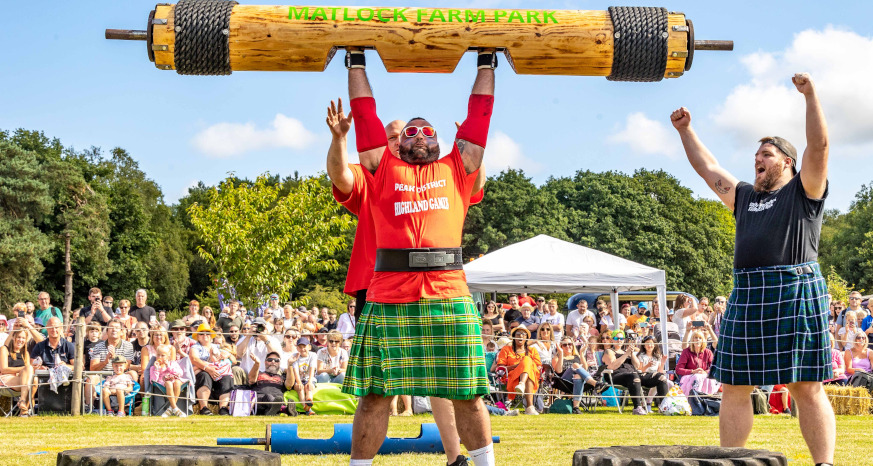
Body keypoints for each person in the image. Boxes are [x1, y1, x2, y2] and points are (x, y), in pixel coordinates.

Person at [328, 55, 492, 466]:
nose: (419, 135)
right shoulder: (381, 169)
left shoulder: (457, 168)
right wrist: (355, 61)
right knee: (375, 395)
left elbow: (480, 117)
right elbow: (365, 114)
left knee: (468, 393)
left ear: (441, 143)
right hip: (389, 295)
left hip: (448, 292)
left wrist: (487, 61)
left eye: (428, 132)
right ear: (396, 144)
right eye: (411, 132)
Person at [671, 72, 834, 465]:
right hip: (748, 293)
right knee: (734, 385)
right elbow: (708, 168)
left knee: (804, 385)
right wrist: (685, 130)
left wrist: (810, 95)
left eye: (766, 154)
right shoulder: (744, 196)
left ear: (787, 162)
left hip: (795, 289)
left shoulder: (804, 190)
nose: (757, 160)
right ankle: (733, 461)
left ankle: (824, 465)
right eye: (757, 155)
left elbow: (820, 145)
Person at [551, 336, 606, 414]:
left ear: (573, 345)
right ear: (561, 346)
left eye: (569, 344)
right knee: (576, 365)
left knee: (578, 376)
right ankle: (595, 383)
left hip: (577, 381)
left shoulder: (577, 357)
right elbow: (559, 371)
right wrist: (561, 353)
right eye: (564, 345)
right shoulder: (557, 357)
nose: (567, 346)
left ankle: (576, 407)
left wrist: (581, 353)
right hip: (564, 382)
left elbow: (585, 369)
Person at [496, 326, 541, 415]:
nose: (521, 336)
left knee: (527, 361)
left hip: (530, 376)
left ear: (526, 338)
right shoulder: (506, 349)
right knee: (527, 362)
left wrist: (525, 365)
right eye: (518, 334)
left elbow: (538, 367)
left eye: (523, 334)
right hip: (512, 376)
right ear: (513, 336)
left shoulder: (532, 350)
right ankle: (529, 408)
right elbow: (501, 368)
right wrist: (518, 366)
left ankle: (522, 384)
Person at [190, 323, 233, 415]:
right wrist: (207, 368)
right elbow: (194, 359)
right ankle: (204, 407)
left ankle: (223, 408)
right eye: (202, 333)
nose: (205, 335)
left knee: (227, 378)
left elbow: (234, 359)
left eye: (207, 333)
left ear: (211, 336)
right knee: (204, 376)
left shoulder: (217, 346)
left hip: (218, 371)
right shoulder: (194, 347)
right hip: (203, 371)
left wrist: (228, 354)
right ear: (197, 336)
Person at [601, 330, 647, 415]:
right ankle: (637, 407)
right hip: (616, 376)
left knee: (659, 377)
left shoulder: (627, 351)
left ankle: (663, 406)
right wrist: (626, 354)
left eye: (621, 338)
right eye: (616, 338)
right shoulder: (609, 351)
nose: (619, 340)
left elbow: (637, 366)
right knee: (633, 376)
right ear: (612, 340)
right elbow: (613, 366)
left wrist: (631, 353)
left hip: (633, 375)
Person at [248, 350, 296, 416]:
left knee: (276, 400)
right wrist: (257, 363)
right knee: (268, 396)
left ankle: (272, 411)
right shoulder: (259, 373)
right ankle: (284, 409)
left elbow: (289, 385)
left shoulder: (282, 377)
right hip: (260, 401)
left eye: (276, 360)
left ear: (279, 363)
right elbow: (251, 379)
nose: (273, 362)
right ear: (265, 362)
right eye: (270, 360)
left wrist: (290, 365)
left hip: (278, 400)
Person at [235, 317, 281, 386]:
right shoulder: (244, 339)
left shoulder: (273, 340)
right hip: (247, 375)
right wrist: (248, 336)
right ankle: (236, 392)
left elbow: (276, 357)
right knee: (235, 369)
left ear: (266, 329)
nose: (258, 330)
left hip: (265, 375)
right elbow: (238, 354)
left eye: (261, 327)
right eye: (255, 327)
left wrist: (265, 339)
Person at [0, 329, 34, 416]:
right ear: (13, 337)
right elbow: (3, 369)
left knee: (35, 379)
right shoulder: (5, 349)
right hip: (5, 380)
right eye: (18, 337)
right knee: (31, 376)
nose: (20, 340)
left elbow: (27, 372)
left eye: (23, 338)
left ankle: (23, 407)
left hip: (21, 381)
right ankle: (24, 406)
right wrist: (23, 369)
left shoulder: (25, 353)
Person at [634, 336, 670, 411]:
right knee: (661, 378)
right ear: (644, 345)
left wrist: (662, 362)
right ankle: (661, 405)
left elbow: (660, 371)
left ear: (654, 345)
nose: (649, 345)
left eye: (651, 343)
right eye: (647, 343)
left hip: (656, 376)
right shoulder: (641, 356)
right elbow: (640, 370)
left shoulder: (657, 357)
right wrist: (647, 365)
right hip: (644, 376)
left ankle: (663, 405)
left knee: (668, 383)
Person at [149, 344, 187, 417]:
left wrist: (168, 366)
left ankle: (170, 409)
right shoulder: (153, 367)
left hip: (175, 381)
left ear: (168, 356)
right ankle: (175, 408)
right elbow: (153, 381)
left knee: (177, 382)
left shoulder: (172, 363)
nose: (160, 357)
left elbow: (179, 373)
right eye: (158, 355)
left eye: (163, 355)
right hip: (163, 383)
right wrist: (156, 369)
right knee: (169, 383)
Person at [292, 337, 318, 415]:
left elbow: (312, 369)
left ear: (309, 347)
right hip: (299, 378)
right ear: (297, 348)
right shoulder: (295, 356)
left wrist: (310, 381)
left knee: (308, 387)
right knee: (300, 389)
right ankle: (306, 407)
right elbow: (295, 370)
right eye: (300, 347)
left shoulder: (313, 355)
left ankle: (309, 400)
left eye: (304, 347)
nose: (302, 349)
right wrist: (299, 382)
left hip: (309, 378)